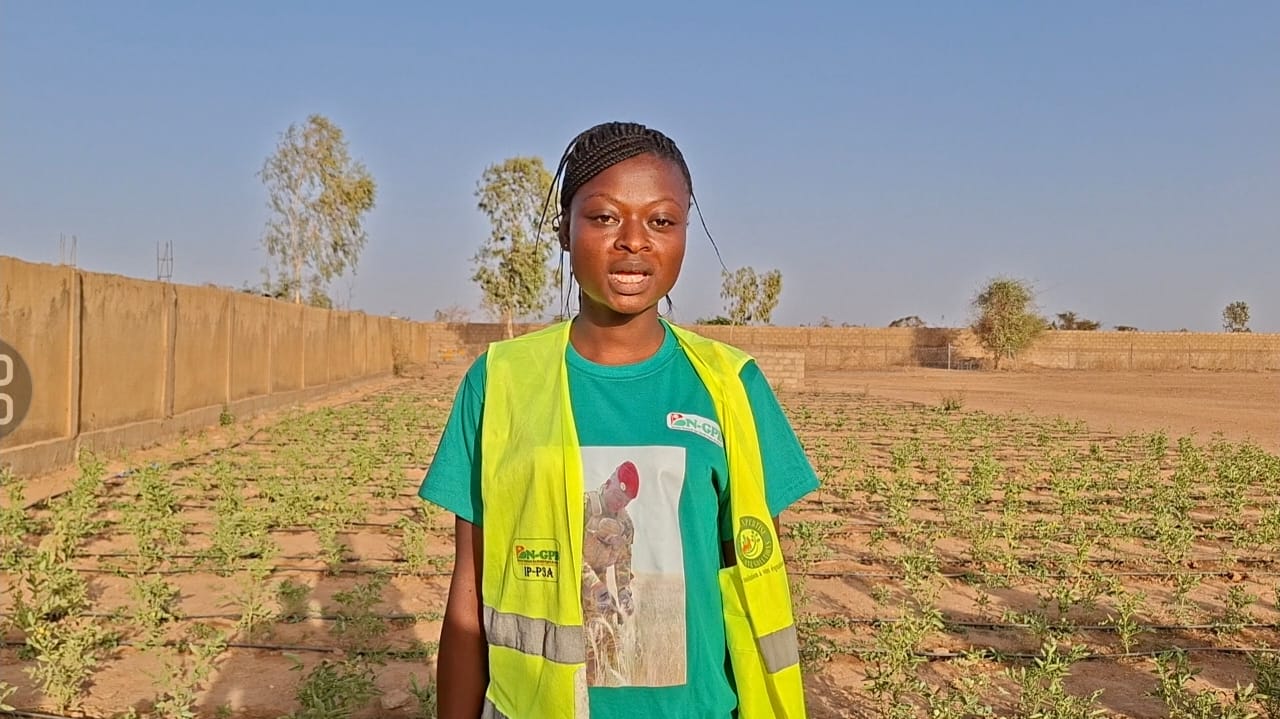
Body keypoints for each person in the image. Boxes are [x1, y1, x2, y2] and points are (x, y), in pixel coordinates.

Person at [420, 121, 819, 718]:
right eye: (605, 217)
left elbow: (756, 589)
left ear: (684, 231)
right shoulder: (500, 380)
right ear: (565, 229)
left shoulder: (732, 386)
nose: (634, 241)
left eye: (661, 220)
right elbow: (467, 597)